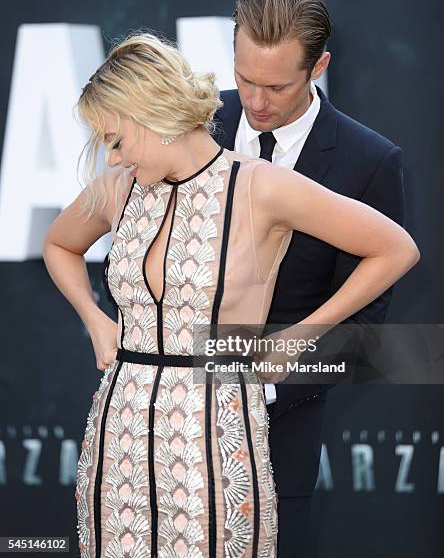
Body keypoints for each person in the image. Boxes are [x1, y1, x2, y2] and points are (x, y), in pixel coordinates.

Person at [42, 31, 418, 558]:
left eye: (117, 139)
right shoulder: (120, 187)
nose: (113, 156)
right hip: (119, 431)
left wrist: (298, 338)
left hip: (214, 431)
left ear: (152, 116)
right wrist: (95, 318)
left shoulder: (259, 186)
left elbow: (395, 249)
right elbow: (59, 244)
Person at [212, 0, 407, 556]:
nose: (256, 100)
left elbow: (365, 324)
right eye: (245, 78)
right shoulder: (192, 127)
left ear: (318, 66)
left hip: (279, 431)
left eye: (277, 85)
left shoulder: (369, 161)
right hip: (162, 415)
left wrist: (267, 379)